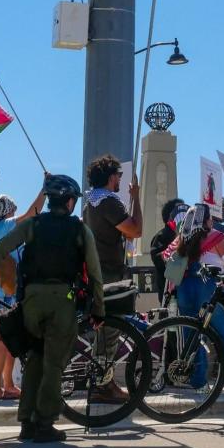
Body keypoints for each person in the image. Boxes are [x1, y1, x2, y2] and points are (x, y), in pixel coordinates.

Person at [0, 173, 104, 444]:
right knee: (53, 363)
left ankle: (26, 423)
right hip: (62, 302)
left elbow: (1, 249)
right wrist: (98, 310)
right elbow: (95, 272)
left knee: (34, 358)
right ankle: (45, 424)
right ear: (69, 202)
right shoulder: (80, 229)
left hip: (31, 301)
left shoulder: (32, 225)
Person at [0, 183, 47, 401]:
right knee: (3, 339)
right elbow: (33, 213)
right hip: (5, 290)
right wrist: (43, 189)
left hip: (1, 288)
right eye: (13, 209)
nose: (15, 212)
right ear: (7, 211)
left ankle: (8, 385)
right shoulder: (4, 226)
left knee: (10, 337)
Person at [164, 203, 224, 394]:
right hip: (207, 287)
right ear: (207, 220)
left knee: (193, 335)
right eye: (211, 218)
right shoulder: (214, 236)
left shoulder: (182, 239)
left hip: (185, 288)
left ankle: (199, 383)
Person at [83, 154, 141, 401]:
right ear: (110, 177)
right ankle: (103, 386)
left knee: (102, 332)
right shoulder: (108, 202)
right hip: (110, 274)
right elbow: (136, 230)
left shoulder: (90, 203)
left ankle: (100, 381)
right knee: (110, 333)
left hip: (97, 272)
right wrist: (136, 197)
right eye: (118, 174)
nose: (120, 179)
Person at [148, 198, 187, 297]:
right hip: (169, 292)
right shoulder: (161, 236)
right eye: (179, 210)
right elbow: (157, 260)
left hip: (187, 287)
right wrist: (174, 249)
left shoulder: (190, 235)